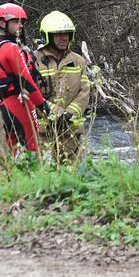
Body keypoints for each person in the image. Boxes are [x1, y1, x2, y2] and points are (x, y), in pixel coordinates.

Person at [0, 3, 50, 154]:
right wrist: (43, 106)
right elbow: (26, 81)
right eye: (16, 21)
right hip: (19, 105)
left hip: (2, 105)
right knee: (33, 151)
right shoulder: (11, 48)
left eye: (21, 22)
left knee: (7, 152)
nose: (20, 26)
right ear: (2, 23)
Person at [33, 11, 92, 164]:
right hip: (43, 134)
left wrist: (68, 114)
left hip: (71, 133)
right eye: (58, 34)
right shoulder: (34, 60)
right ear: (47, 36)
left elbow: (84, 92)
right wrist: (55, 113)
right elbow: (31, 93)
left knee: (72, 177)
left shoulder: (78, 61)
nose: (64, 38)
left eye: (67, 33)